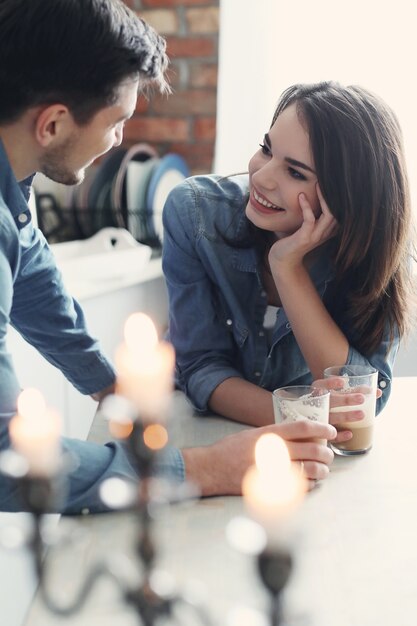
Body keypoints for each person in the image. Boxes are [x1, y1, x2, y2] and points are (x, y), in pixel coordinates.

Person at [0, 0, 335, 514]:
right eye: (117, 122)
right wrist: (204, 467)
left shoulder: (12, 186)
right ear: (52, 125)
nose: (119, 142)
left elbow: (28, 270)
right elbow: (6, 457)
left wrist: (104, 382)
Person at [162, 81, 415, 440]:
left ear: (347, 197)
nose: (261, 178)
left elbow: (363, 405)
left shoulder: (379, 254)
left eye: (295, 172)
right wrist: (301, 418)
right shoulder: (196, 215)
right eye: (266, 150)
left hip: (316, 456)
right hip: (202, 434)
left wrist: (287, 268)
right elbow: (201, 368)